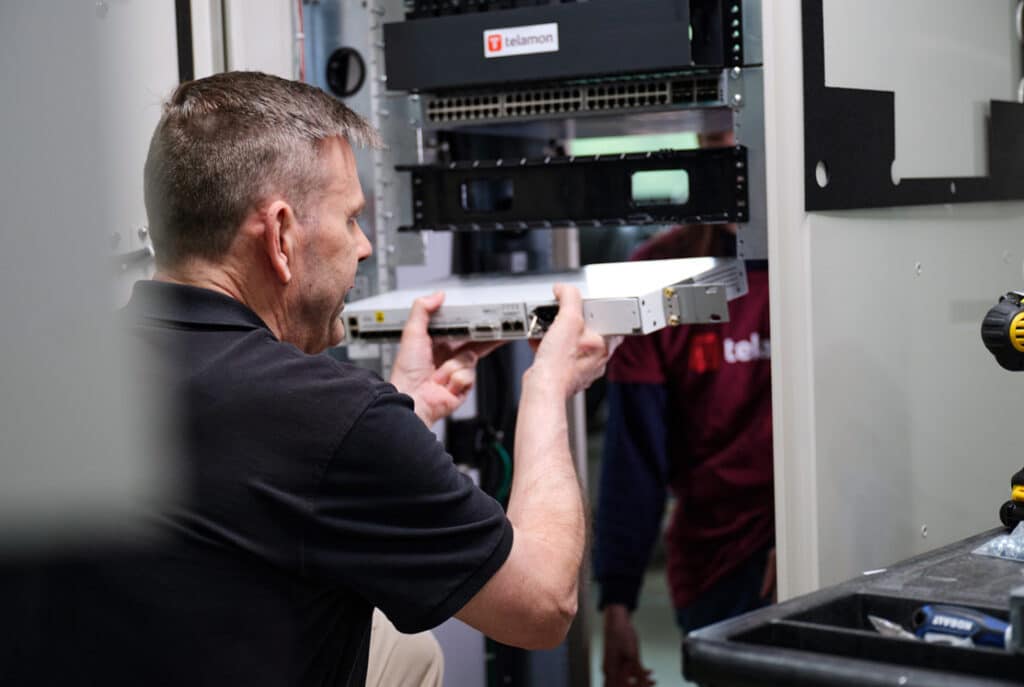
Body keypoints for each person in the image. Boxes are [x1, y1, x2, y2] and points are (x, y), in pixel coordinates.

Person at [3, 71, 611, 687]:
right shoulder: (329, 416)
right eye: (351, 220)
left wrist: (406, 409)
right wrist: (547, 391)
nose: (366, 246)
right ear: (282, 234)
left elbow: (250, 482)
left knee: (408, 652)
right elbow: (543, 606)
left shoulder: (47, 374)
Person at [594, 179, 774, 684]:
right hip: (714, 566)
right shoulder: (654, 279)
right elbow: (633, 458)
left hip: (817, 551)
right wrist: (618, 601)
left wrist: (804, 530)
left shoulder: (818, 261)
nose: (737, 181)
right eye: (720, 149)